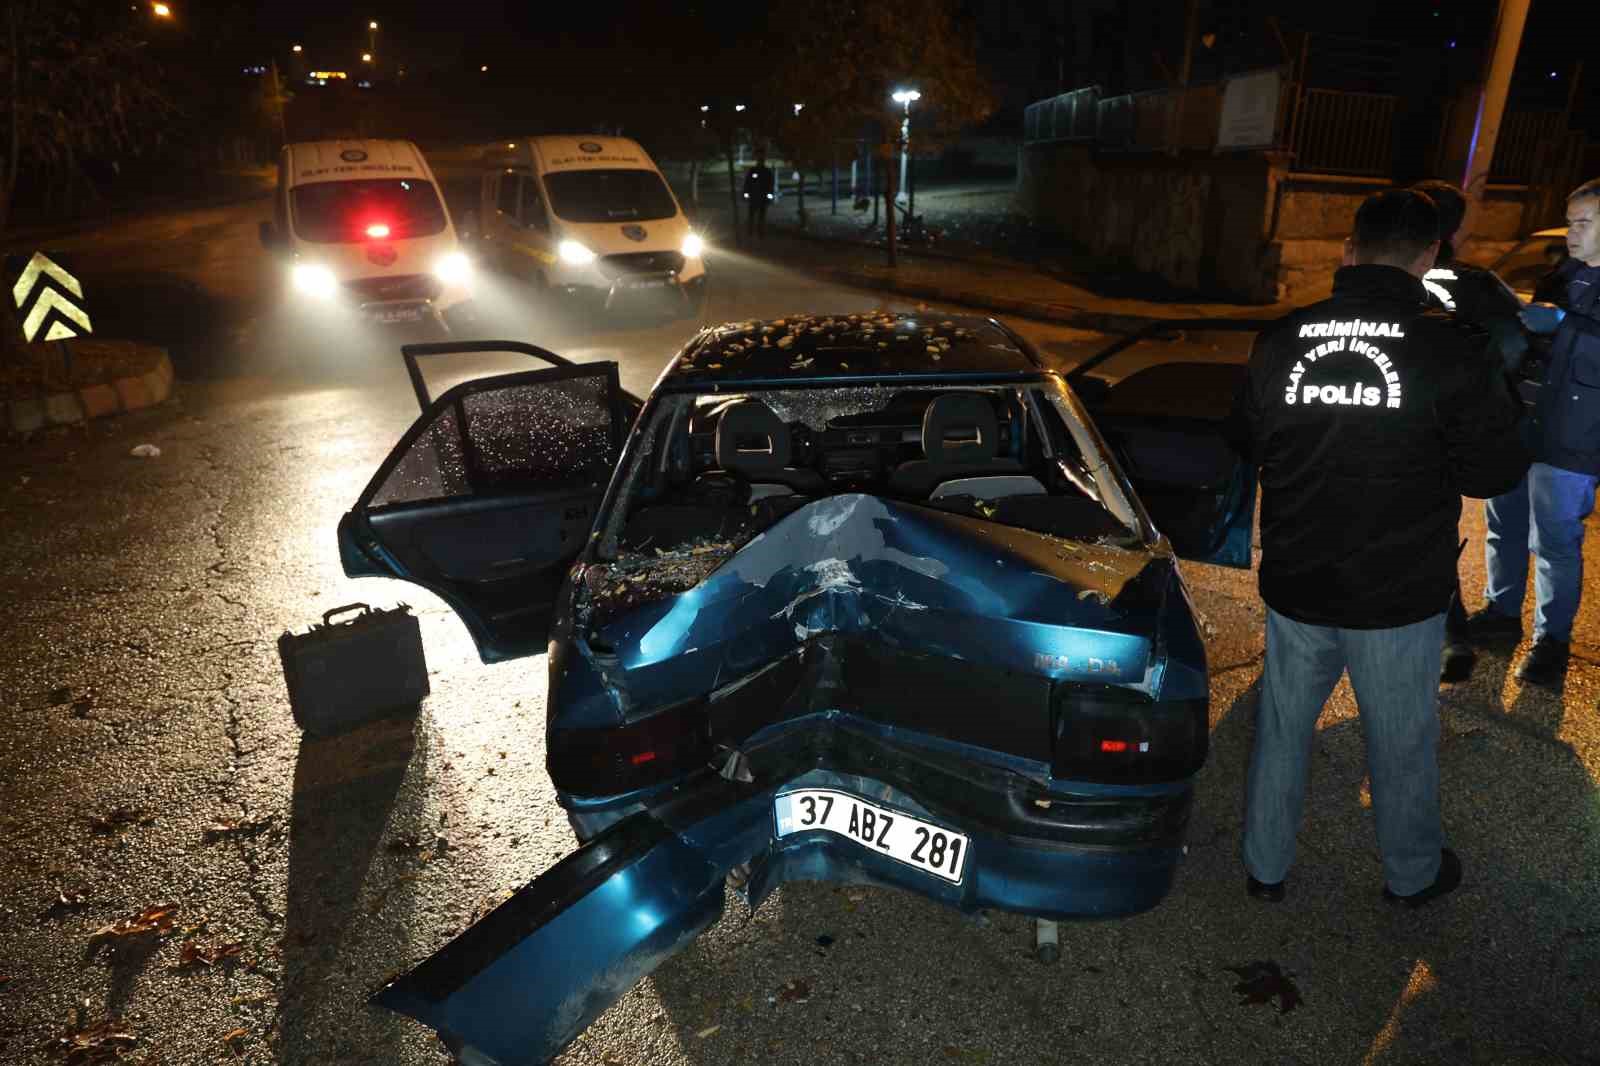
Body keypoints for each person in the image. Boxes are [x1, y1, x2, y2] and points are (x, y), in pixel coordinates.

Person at [1230, 189, 1529, 909]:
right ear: (1428, 258)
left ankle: (1265, 869)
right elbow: (1494, 471)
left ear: (1348, 250)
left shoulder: (1284, 337)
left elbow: (1246, 441)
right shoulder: (1451, 345)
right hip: (1396, 593)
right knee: (1400, 745)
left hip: (1300, 579)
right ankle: (1410, 877)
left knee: (1281, 733)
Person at [1470, 178, 1600, 686]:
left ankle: (1552, 643)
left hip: (1571, 440)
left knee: (1555, 545)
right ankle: (1501, 616)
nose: (1571, 232)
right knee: (1503, 528)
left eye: (1584, 222)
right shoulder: (1559, 276)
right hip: (1519, 427)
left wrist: (1562, 324)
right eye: (1570, 221)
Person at [1410, 179, 1530, 683]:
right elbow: (1513, 343)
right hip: (1457, 428)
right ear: (1457, 229)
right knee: (1438, 527)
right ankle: (1454, 636)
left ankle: (1442, 634)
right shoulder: (1479, 283)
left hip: (1399, 422)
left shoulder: (1391, 277)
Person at [743, 153, 775, 240]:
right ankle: (751, 231)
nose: (760, 161)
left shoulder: (767, 172)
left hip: (762, 196)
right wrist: (746, 193)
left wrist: (770, 196)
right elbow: (748, 182)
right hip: (754, 196)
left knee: (760, 215)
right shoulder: (753, 170)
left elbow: (770, 185)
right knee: (753, 215)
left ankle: (759, 232)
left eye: (761, 159)